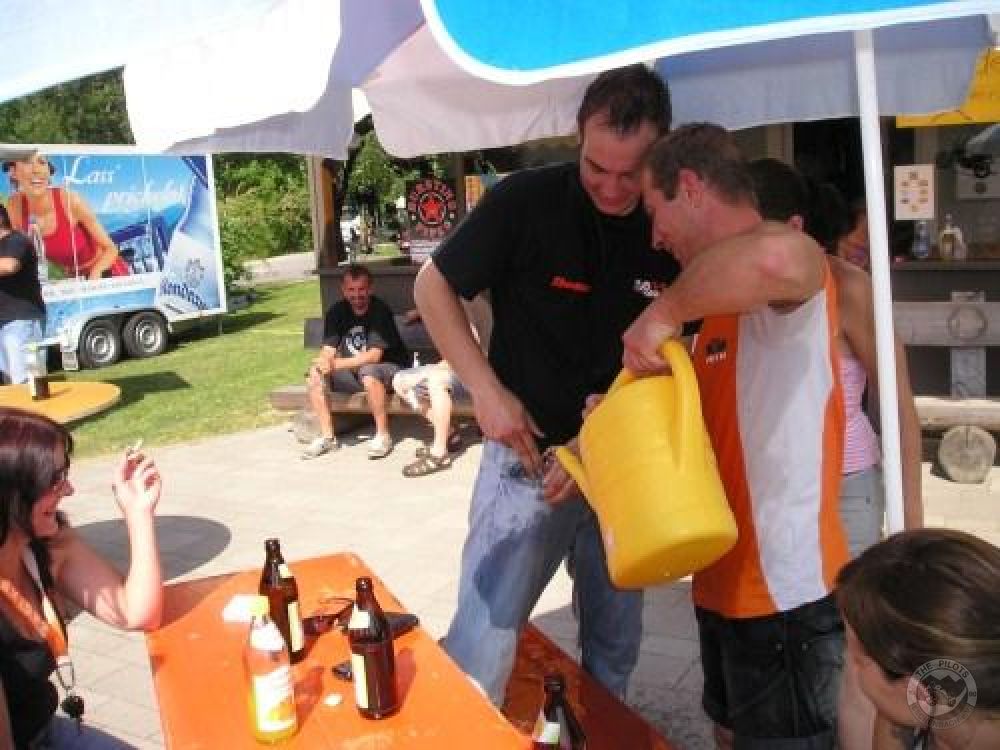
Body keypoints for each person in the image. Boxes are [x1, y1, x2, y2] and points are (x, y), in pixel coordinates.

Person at [413, 64, 679, 706]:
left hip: (620, 468)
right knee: (485, 639)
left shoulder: (670, 224)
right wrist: (486, 391)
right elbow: (432, 285)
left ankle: (599, 731)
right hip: (527, 459)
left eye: (631, 174)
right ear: (577, 138)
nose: (612, 189)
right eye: (596, 167)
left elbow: (686, 349)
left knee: (615, 646)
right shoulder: (525, 200)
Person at [623, 124, 848, 748]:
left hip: (786, 599)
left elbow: (777, 260)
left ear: (691, 187)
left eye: (654, 210)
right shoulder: (717, 302)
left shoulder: (785, 258)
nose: (654, 236)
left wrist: (663, 312)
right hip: (722, 584)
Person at [748, 158, 924, 547]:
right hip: (764, 489)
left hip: (845, 487)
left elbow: (897, 406)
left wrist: (912, 527)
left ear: (794, 228)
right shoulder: (733, 288)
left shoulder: (848, 287)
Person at [0, 407, 163, 748]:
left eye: (66, 473)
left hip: (42, 731)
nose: (70, 489)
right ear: (10, 492)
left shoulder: (49, 545)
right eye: (54, 479)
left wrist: (138, 513)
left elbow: (136, 613)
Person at [836, 529, 1000, 749]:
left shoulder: (912, 701)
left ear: (918, 695)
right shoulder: (908, 710)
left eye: (858, 659)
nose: (847, 660)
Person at [302, 264, 409, 460]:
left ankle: (382, 435)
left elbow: (374, 356)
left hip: (390, 370)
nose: (357, 295)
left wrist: (335, 364)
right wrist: (322, 362)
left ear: (370, 289)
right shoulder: (336, 312)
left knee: (369, 372)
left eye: (361, 289)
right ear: (344, 290)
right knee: (314, 375)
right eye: (351, 290)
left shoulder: (380, 310)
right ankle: (328, 437)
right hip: (353, 371)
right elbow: (329, 349)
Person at [392, 297, 490, 477]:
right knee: (400, 381)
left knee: (437, 379)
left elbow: (470, 351)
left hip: (481, 374)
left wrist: (441, 367)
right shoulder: (445, 299)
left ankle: (439, 453)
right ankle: (450, 434)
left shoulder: (467, 303)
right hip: (455, 369)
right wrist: (420, 312)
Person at [3, 151, 130, 280]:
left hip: (106, 270)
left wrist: (94, 277)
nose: (36, 170)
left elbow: (111, 249)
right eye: (27, 162)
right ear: (13, 172)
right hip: (75, 278)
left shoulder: (71, 201)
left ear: (48, 171)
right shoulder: (14, 206)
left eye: (42, 162)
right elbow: (16, 252)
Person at [0, 204, 45, 385]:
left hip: (20, 321)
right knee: (8, 382)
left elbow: (10, 266)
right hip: (4, 322)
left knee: (25, 381)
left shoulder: (17, 240)